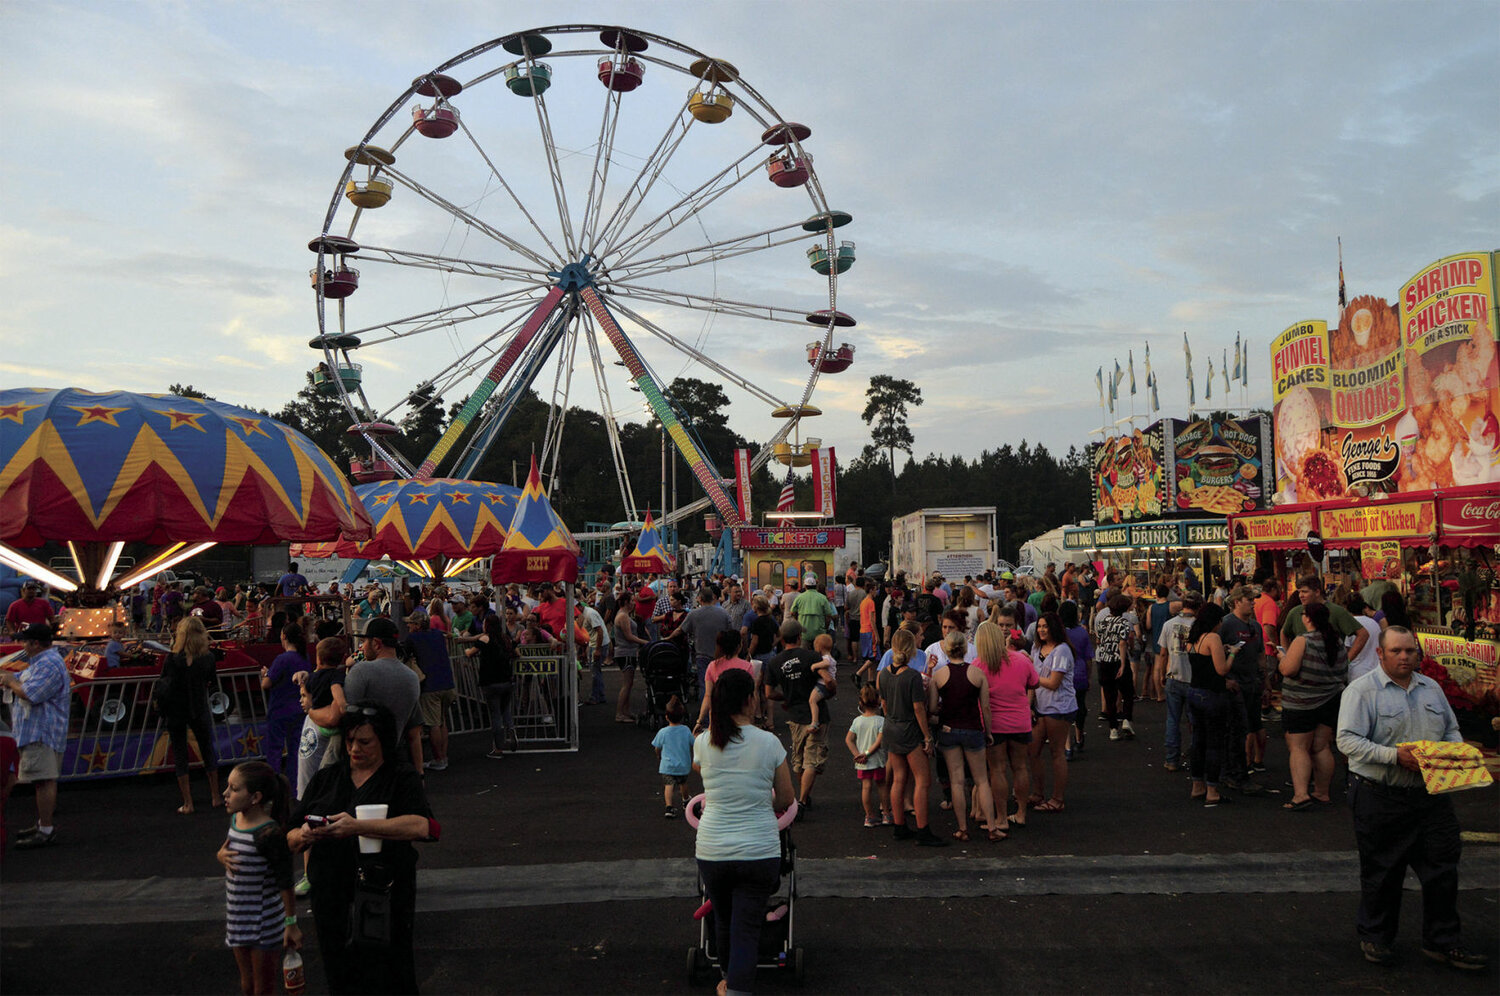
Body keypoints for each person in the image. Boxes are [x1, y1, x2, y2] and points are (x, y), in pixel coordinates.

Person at [1335, 627, 1489, 972]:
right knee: (1382, 872)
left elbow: (1450, 729)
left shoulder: (1431, 688)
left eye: (1410, 651)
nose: (1404, 657)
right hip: (1380, 796)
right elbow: (1347, 741)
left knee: (1442, 869)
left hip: (1430, 796)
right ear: (1381, 654)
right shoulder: (1362, 691)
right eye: (1396, 651)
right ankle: (1377, 937)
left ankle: (1443, 942)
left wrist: (1451, 751)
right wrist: (1395, 757)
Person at [289, 702, 438, 994]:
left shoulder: (401, 776)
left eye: (364, 742)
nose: (354, 748)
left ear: (384, 741)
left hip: (384, 892)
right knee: (339, 968)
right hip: (331, 892)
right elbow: (289, 836)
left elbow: (425, 827)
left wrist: (359, 826)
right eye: (349, 741)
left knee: (389, 970)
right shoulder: (327, 778)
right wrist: (304, 835)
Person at [692, 667, 794, 996]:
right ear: (750, 700)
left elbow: (700, 768)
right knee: (747, 925)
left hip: (713, 848)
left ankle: (728, 976)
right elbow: (788, 797)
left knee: (723, 918)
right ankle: (736, 988)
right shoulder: (769, 743)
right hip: (759, 849)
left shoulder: (704, 742)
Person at [216, 761, 300, 996]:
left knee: (263, 989)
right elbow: (231, 850)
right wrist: (220, 855)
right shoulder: (236, 820)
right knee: (247, 985)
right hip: (238, 918)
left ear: (255, 797)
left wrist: (291, 924)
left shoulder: (269, 834)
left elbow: (285, 881)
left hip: (263, 922)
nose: (225, 794)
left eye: (233, 789)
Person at [0, 623, 71, 849]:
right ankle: (43, 824)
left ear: (35, 643)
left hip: (42, 732)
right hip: (38, 731)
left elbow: (31, 694)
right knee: (43, 780)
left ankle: (46, 830)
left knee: (43, 780)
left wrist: (10, 681)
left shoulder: (49, 664)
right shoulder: (41, 663)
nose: (22, 645)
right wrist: (9, 677)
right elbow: (22, 678)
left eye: (25, 641)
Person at [928, 629, 999, 842]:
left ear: (947, 649)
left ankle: (962, 829)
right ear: (965, 648)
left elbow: (932, 707)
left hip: (949, 729)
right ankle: (992, 828)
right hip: (973, 729)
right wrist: (988, 731)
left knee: (956, 781)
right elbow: (985, 707)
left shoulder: (939, 676)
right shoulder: (977, 674)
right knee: (982, 780)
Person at [876, 629, 946, 847]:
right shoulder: (913, 676)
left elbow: (884, 703)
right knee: (922, 781)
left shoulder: (884, 674)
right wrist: (926, 736)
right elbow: (918, 708)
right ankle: (923, 830)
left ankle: (899, 825)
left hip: (892, 727)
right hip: (910, 730)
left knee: (898, 778)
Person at [1278, 602, 1348, 811]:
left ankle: (1301, 794)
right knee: (1322, 746)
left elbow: (1288, 670)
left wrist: (1282, 658)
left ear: (1307, 618)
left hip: (1301, 702)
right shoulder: (1336, 641)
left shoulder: (1303, 641)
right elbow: (1345, 669)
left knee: (1299, 747)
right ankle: (1322, 791)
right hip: (1330, 700)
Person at [157, 616, 222, 814]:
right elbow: (212, 681)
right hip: (199, 707)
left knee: (180, 753)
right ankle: (215, 796)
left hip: (177, 709)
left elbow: (164, 682)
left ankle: (188, 802)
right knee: (207, 750)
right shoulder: (208, 658)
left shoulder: (173, 658)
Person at [763, 620, 829, 811]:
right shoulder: (811, 656)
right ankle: (801, 800)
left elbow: (768, 693)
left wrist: (786, 696)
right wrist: (829, 689)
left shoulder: (775, 662)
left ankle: (804, 797)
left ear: (782, 639)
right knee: (812, 759)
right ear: (799, 637)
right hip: (817, 714)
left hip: (794, 714)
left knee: (799, 759)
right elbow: (828, 679)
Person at [979, 622, 1037, 830]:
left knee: (997, 770)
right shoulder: (1021, 659)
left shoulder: (980, 664)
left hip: (994, 723)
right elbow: (1034, 683)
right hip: (1020, 721)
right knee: (1020, 767)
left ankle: (1001, 817)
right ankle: (1021, 813)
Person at [346, 618, 423, 771]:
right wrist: (419, 772)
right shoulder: (412, 677)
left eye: (364, 642)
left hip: (362, 764)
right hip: (396, 762)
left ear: (376, 643)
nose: (362, 648)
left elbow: (344, 717)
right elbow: (414, 733)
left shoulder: (361, 671)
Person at [1184, 603, 1234, 807]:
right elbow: (1221, 670)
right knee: (1214, 742)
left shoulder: (1193, 639)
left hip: (1194, 692)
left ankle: (1197, 785)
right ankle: (1212, 790)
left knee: (1198, 741)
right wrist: (1232, 654)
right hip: (1212, 695)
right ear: (1215, 621)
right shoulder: (1213, 638)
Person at [1026, 612, 1076, 813]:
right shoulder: (1036, 647)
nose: (1041, 630)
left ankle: (1057, 799)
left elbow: (1054, 683)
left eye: (1045, 626)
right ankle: (1038, 793)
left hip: (1059, 707)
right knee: (1033, 751)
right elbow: (1032, 681)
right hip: (1040, 707)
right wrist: (1028, 706)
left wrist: (1033, 678)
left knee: (1056, 753)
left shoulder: (1062, 651)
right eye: (1039, 626)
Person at [1154, 591, 1201, 772]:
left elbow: (1163, 652)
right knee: (1195, 721)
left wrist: (1161, 673)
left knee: (1172, 720)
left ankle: (1172, 759)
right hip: (1194, 679)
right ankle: (1197, 756)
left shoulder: (1169, 625)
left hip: (1173, 676)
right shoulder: (1200, 626)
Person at [404, 614, 455, 772]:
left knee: (433, 724)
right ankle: (443, 756)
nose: (408, 626)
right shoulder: (438, 635)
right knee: (442, 721)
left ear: (417, 625)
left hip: (430, 686)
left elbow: (405, 655)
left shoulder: (413, 639)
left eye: (411, 624)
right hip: (447, 683)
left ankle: (438, 759)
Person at [261, 622, 311, 782]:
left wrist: (265, 674)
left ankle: (274, 785)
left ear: (283, 637)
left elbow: (266, 684)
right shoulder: (305, 657)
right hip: (299, 710)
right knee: (296, 750)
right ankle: (296, 785)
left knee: (274, 751)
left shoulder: (282, 659)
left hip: (279, 710)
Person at [672, 584, 731, 697]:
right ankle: (719, 710)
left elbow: (680, 630)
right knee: (720, 683)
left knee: (705, 684)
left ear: (700, 598)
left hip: (702, 654)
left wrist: (667, 638)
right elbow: (731, 631)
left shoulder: (694, 613)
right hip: (720, 653)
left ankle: (706, 712)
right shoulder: (724, 613)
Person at [844, 684, 890, 828]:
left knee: (866, 787)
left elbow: (848, 739)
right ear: (878, 702)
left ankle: (869, 816)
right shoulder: (881, 721)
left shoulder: (857, 721)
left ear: (861, 702)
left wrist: (858, 754)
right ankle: (886, 814)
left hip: (862, 762)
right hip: (877, 759)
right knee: (882, 785)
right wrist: (868, 753)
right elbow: (879, 741)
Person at [1093, 593, 1137, 741]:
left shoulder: (1102, 622)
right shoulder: (1124, 622)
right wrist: (1123, 663)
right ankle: (1126, 719)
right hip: (1118, 660)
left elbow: (1098, 641)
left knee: (1109, 695)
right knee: (1127, 692)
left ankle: (1113, 729)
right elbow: (1123, 642)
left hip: (1105, 660)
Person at [694, 630, 756, 733]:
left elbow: (708, 696)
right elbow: (752, 694)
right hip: (740, 718)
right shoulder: (747, 666)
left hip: (717, 719)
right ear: (738, 646)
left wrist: (699, 721)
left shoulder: (713, 666)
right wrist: (751, 718)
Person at [652, 695, 694, 818]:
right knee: (683, 783)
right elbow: (694, 743)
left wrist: (658, 755)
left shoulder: (663, 732)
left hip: (667, 765)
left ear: (666, 717)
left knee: (668, 786)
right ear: (682, 717)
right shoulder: (686, 730)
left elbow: (657, 747)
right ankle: (686, 800)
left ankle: (669, 807)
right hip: (682, 764)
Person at [613, 599, 647, 723]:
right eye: (631, 601)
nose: (633, 603)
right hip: (625, 652)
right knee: (627, 684)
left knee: (629, 683)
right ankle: (619, 713)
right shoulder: (622, 616)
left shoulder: (624, 615)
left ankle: (625, 711)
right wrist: (646, 643)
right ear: (626, 603)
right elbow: (629, 636)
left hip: (628, 652)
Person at [790, 574, 835, 649]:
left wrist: (797, 622)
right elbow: (828, 615)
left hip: (804, 632)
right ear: (816, 586)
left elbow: (792, 612)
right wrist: (825, 627)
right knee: (819, 654)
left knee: (805, 656)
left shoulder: (799, 597)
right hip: (819, 632)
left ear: (805, 586)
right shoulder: (823, 598)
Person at [1345, 594, 1381, 682]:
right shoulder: (1374, 623)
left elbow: (1346, 649)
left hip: (1356, 673)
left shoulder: (1350, 624)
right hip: (1376, 670)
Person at [807, 632, 838, 732]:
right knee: (815, 701)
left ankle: (814, 722)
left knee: (812, 700)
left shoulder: (826, 658)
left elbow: (826, 663)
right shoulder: (830, 656)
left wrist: (814, 666)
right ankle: (815, 721)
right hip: (825, 685)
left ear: (820, 648)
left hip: (823, 684)